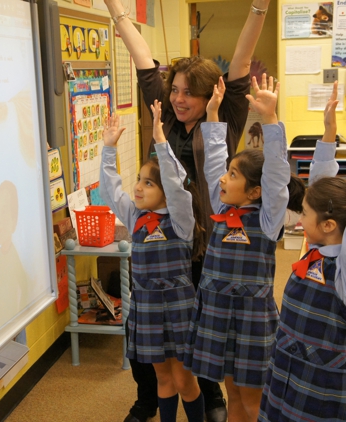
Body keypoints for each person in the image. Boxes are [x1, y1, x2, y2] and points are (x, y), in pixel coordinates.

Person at [103, 1, 271, 420]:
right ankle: (147, 400)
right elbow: (143, 58)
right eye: (173, 90)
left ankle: (208, 396)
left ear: (209, 94)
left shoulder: (225, 114)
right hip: (160, 234)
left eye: (188, 93)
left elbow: (242, 58)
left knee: (199, 325)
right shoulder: (167, 113)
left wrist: (257, 8)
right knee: (150, 324)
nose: (178, 99)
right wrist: (117, 10)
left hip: (207, 239)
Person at [258, 81, 346, 421]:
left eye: (305, 214)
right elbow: (319, 185)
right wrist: (328, 133)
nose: (300, 218)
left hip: (321, 389)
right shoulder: (317, 249)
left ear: (329, 225)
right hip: (287, 374)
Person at [183, 74, 305, 422]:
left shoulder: (268, 220)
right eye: (228, 173)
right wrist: (212, 114)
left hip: (251, 319)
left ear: (255, 191)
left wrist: (270, 119)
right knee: (232, 394)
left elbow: (278, 176)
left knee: (254, 401)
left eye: (233, 176)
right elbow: (213, 161)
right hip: (217, 314)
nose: (223, 178)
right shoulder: (222, 211)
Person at [99, 106, 206, 422]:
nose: (138, 188)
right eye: (139, 180)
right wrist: (108, 149)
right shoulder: (135, 217)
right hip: (146, 307)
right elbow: (110, 190)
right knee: (162, 378)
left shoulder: (181, 219)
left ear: (166, 192)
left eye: (148, 183)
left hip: (179, 306)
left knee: (185, 379)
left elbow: (176, 185)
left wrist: (161, 141)